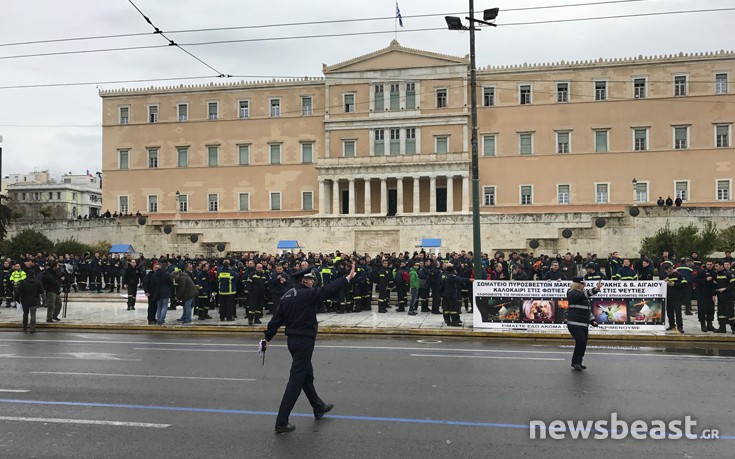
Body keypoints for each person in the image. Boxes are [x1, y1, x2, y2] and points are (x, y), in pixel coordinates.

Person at [263, 262, 357, 434]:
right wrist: (347, 278)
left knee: (307, 376)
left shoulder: (287, 295)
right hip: (304, 342)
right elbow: (328, 290)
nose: (313, 281)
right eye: (311, 279)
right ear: (304, 281)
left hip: (292, 342)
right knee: (296, 381)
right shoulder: (306, 295)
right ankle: (281, 421)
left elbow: (276, 319)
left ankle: (318, 406)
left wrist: (267, 337)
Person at [566, 276, 602, 371]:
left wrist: (592, 320)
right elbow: (581, 296)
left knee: (583, 343)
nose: (584, 286)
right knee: (581, 341)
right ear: (577, 284)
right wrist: (594, 290)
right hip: (574, 323)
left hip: (583, 323)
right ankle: (575, 362)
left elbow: (588, 310)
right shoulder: (571, 293)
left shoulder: (583, 295)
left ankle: (579, 362)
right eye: (583, 284)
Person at [663, 262, 686, 333]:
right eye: (667, 271)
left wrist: (675, 284)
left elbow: (684, 284)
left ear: (672, 268)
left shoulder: (679, 275)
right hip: (668, 297)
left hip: (677, 297)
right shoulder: (666, 276)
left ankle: (680, 326)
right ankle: (672, 325)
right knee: (670, 312)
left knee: (678, 313)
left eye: (669, 270)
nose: (668, 272)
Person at [153, 259, 174, 325]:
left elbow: (154, 284)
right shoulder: (166, 274)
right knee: (164, 306)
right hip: (165, 292)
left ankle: (159, 319)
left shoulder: (155, 275)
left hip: (158, 292)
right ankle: (162, 320)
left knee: (159, 306)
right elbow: (171, 283)